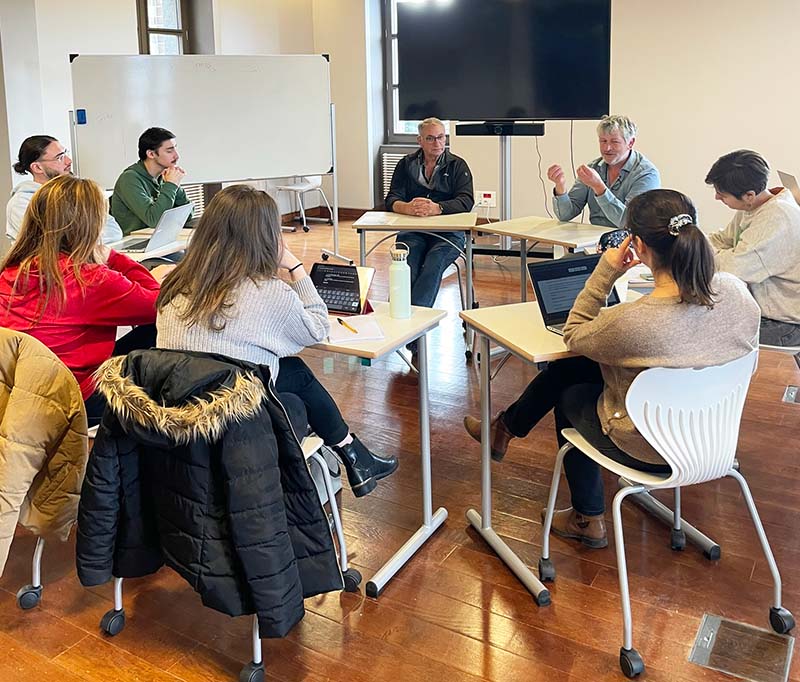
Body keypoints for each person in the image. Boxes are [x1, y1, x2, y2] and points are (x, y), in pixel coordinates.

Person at [464, 189, 759, 547]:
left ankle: (586, 516)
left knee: (567, 385)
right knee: (582, 367)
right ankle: (505, 428)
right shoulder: (737, 294)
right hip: (713, 440)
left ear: (637, 245)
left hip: (648, 449)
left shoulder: (631, 323)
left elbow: (573, 333)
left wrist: (605, 270)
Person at [156, 184, 398, 498]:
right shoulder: (268, 292)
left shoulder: (173, 282)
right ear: (267, 236)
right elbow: (315, 329)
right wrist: (296, 267)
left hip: (179, 418)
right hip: (238, 429)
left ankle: (355, 455)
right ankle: (351, 456)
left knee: (293, 371)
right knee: (297, 400)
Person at [0, 175, 172, 426]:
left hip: (23, 392)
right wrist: (115, 258)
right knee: (160, 328)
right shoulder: (89, 279)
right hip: (75, 397)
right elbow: (158, 306)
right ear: (89, 225)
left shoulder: (13, 271)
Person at [385, 117, 474, 337]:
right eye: (431, 138)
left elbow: (466, 200)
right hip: (413, 229)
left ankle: (412, 333)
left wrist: (437, 208)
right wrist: (406, 208)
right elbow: (391, 197)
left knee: (432, 265)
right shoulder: (406, 164)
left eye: (441, 137)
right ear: (420, 141)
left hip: (448, 234)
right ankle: (397, 325)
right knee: (406, 266)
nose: (437, 143)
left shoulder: (457, 165)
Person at [705, 149, 800, 347]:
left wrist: (697, 251)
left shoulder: (776, 218)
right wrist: (694, 243)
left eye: (722, 195)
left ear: (749, 195)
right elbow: (722, 240)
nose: (716, 198)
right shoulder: (753, 206)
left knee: (699, 332)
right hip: (763, 309)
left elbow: (734, 270)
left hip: (783, 324)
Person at [548, 114, 660, 228]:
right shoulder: (593, 168)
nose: (607, 148)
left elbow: (628, 223)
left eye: (614, 142)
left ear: (630, 143)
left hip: (629, 242)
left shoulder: (646, 174)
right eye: (603, 141)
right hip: (593, 239)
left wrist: (599, 188)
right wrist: (560, 187)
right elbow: (565, 215)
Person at [6, 135, 123, 244]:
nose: (68, 161)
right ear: (37, 167)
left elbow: (113, 231)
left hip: (84, 262)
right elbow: (52, 244)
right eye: (60, 157)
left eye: (65, 153)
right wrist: (88, 236)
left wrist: (79, 239)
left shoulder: (76, 193)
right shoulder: (21, 204)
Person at [111, 127, 192, 236]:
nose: (176, 156)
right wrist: (171, 185)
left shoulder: (164, 177)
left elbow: (188, 215)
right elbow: (154, 220)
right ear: (151, 154)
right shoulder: (129, 179)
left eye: (175, 149)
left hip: (158, 239)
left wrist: (175, 185)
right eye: (169, 151)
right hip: (135, 243)